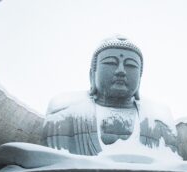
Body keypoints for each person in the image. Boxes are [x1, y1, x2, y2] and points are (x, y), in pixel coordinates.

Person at [42, 35, 178, 155]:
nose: (121, 71)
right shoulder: (63, 114)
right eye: (110, 63)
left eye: (130, 65)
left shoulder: (160, 121)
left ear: (140, 78)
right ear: (92, 74)